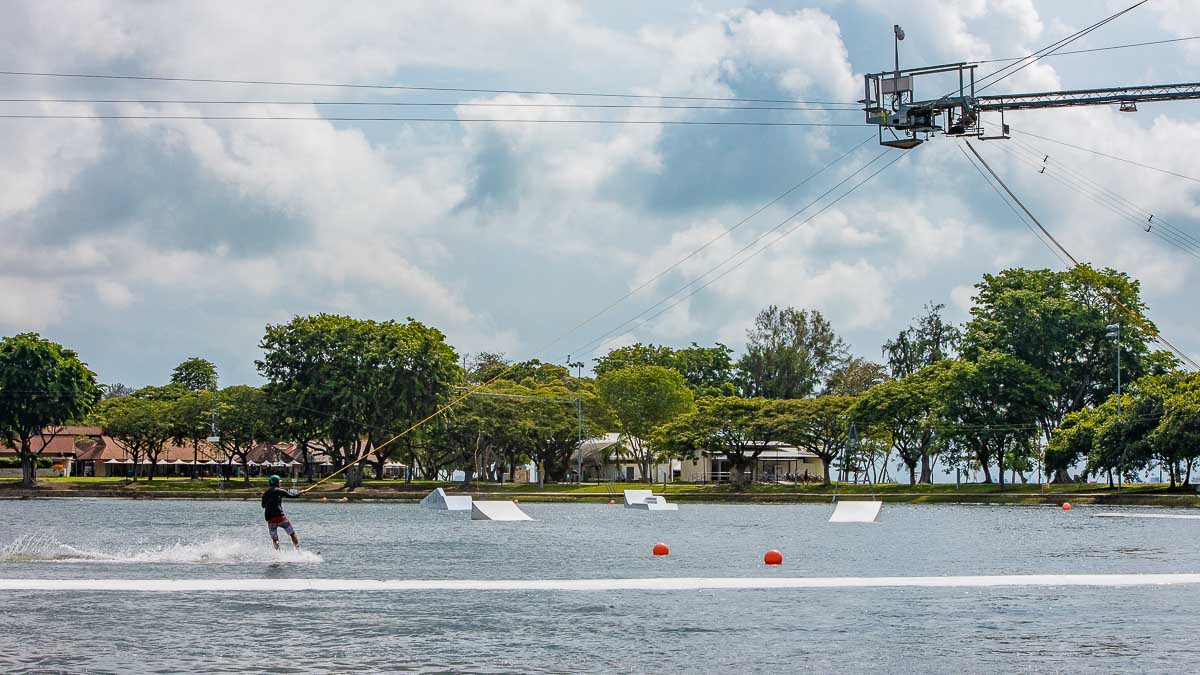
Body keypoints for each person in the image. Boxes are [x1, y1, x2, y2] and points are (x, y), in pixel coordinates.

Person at [261, 475, 301, 550]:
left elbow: (263, 506)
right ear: (276, 483)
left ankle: (278, 553)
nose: (280, 483)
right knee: (292, 533)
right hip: (280, 518)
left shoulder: (265, 494)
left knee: (275, 539)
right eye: (279, 482)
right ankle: (298, 550)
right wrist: (300, 493)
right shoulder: (280, 490)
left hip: (270, 519)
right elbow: (292, 496)